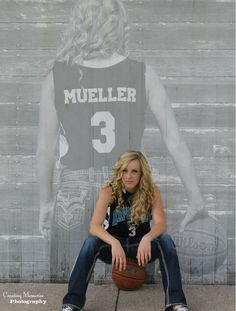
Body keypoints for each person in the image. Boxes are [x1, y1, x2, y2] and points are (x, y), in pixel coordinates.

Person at [37, 0, 207, 278]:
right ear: (119, 26)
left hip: (73, 191)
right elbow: (174, 140)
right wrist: (196, 198)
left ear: (79, 24)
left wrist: (45, 202)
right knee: (132, 283)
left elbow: (45, 149)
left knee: (67, 281)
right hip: (127, 187)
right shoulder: (143, 73)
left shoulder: (56, 77)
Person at [54, 151, 196, 311]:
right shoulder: (109, 190)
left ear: (142, 173)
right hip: (115, 247)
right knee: (90, 242)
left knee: (165, 240)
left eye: (134, 171)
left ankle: (177, 304)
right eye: (125, 170)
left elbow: (160, 225)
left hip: (140, 247)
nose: (129, 176)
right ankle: (72, 304)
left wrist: (147, 238)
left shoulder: (152, 191)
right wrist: (113, 242)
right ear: (119, 171)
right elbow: (94, 226)